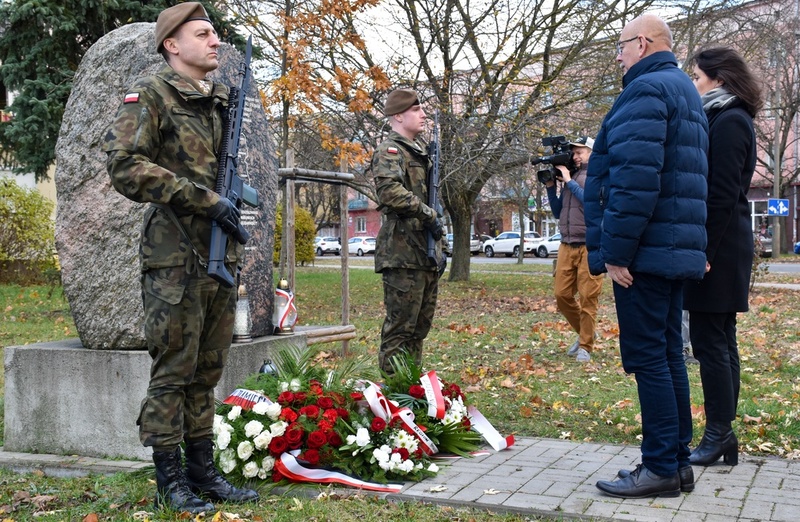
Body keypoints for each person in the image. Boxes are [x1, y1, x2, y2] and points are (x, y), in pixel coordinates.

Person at [104, 3, 258, 513]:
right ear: (172, 44)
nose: (215, 41)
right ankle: (170, 481)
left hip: (218, 256)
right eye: (203, 33)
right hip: (173, 257)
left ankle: (202, 471)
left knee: (208, 369)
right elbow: (125, 167)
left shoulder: (217, 102)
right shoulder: (150, 95)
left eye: (215, 33)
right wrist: (206, 199)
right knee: (174, 369)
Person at [585, 14, 709, 498]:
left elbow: (635, 182)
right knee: (667, 356)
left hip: (644, 255)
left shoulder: (645, 90)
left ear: (642, 42)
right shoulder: (683, 89)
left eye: (620, 46)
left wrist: (616, 253)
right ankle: (676, 463)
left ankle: (658, 466)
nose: (618, 55)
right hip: (670, 250)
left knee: (649, 359)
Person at [683, 46, 762, 467]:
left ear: (718, 78)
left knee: (711, 343)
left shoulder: (729, 120)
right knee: (719, 340)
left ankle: (717, 435)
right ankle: (722, 434)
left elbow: (721, 195)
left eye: (697, 76)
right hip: (724, 243)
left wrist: (703, 252)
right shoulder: (724, 116)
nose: (693, 84)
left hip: (721, 247)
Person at [372, 88, 446, 374]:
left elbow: (432, 200)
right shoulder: (390, 151)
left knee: (419, 328)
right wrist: (429, 215)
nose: (423, 114)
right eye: (416, 110)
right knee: (400, 328)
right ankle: (392, 395)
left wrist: (440, 246)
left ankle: (410, 387)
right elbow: (390, 192)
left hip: (423, 253)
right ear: (399, 115)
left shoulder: (420, 152)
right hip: (402, 252)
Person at [545, 136, 604, 363]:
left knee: (589, 297)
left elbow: (590, 205)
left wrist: (569, 181)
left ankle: (585, 346)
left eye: (580, 152)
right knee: (562, 295)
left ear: (591, 152)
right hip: (566, 244)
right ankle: (586, 332)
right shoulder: (571, 177)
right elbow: (558, 212)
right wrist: (552, 187)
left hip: (590, 245)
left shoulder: (597, 176)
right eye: (574, 153)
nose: (575, 156)